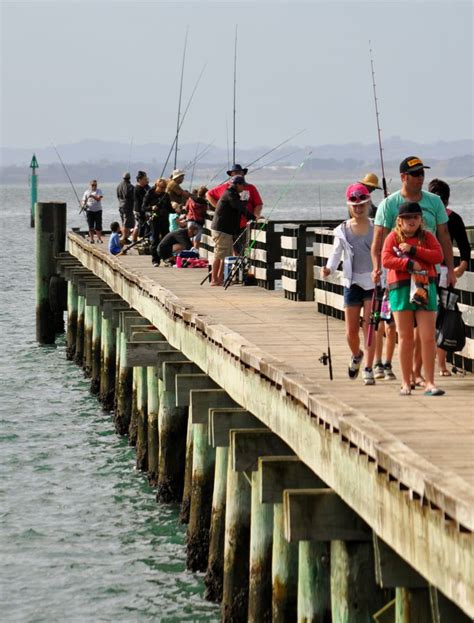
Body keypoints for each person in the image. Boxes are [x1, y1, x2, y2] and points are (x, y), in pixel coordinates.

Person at [371, 156, 455, 387]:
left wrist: (450, 269)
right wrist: (377, 267)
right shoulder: (390, 204)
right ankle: (408, 376)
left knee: (425, 331)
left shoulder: (434, 202)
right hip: (398, 279)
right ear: (403, 177)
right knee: (404, 330)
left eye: (422, 174)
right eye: (415, 174)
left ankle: (419, 373)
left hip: (427, 276)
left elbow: (444, 237)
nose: (420, 178)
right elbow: (379, 242)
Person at [382, 202, 444, 396]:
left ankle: (430, 382)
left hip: (424, 287)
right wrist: (409, 264)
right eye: (407, 218)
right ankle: (405, 381)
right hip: (400, 289)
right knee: (405, 337)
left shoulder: (428, 237)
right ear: (399, 221)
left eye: (415, 217)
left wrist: (414, 251)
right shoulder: (392, 237)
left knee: (427, 337)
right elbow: (386, 259)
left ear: (421, 220)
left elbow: (438, 256)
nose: (412, 221)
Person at [321, 183, 376, 385]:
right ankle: (357, 355)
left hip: (373, 282)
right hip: (351, 283)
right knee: (351, 332)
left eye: (362, 204)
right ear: (349, 206)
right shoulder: (342, 230)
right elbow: (336, 255)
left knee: (370, 327)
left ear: (368, 203)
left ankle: (369, 368)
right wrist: (328, 268)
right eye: (355, 205)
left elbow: (383, 251)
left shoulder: (376, 227)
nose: (359, 208)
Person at [428, 178, 471, 376]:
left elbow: (464, 249)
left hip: (444, 274)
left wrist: (459, 269)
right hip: (427, 272)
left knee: (443, 317)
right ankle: (432, 364)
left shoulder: (453, 219)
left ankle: (441, 364)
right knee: (430, 316)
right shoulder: (424, 216)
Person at [210, 175, 256, 286]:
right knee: (219, 254)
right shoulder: (230, 195)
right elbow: (239, 208)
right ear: (238, 185)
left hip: (225, 230)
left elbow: (239, 208)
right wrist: (254, 217)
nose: (244, 188)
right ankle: (214, 279)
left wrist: (244, 201)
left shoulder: (232, 194)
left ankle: (219, 278)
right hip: (221, 230)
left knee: (225, 254)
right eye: (243, 185)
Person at [206, 163, 263, 254]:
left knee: (243, 248)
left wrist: (256, 215)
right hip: (229, 224)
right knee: (230, 249)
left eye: (239, 172)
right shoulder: (226, 189)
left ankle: (238, 265)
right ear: (231, 175)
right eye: (235, 173)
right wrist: (218, 207)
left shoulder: (250, 188)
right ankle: (230, 266)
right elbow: (209, 194)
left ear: (243, 174)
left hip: (245, 224)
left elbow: (258, 204)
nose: (237, 174)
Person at [144, 178, 175, 267]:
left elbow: (169, 208)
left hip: (165, 219)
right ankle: (155, 260)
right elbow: (143, 207)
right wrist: (151, 208)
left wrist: (176, 210)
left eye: (164, 187)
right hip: (154, 220)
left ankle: (167, 258)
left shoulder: (166, 195)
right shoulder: (149, 194)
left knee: (166, 239)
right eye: (161, 187)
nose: (163, 189)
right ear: (156, 185)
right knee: (155, 239)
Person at [116, 172, 135, 241]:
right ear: (129, 178)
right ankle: (124, 237)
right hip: (128, 206)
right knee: (127, 223)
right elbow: (133, 197)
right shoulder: (130, 186)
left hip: (121, 205)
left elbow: (118, 196)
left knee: (123, 221)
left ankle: (124, 236)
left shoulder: (119, 186)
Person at [133, 171, 150, 241]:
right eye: (144, 179)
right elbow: (144, 199)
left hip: (139, 210)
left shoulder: (142, 188)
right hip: (139, 210)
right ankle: (140, 239)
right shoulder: (138, 188)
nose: (146, 180)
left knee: (140, 225)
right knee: (143, 225)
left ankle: (137, 239)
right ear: (139, 180)